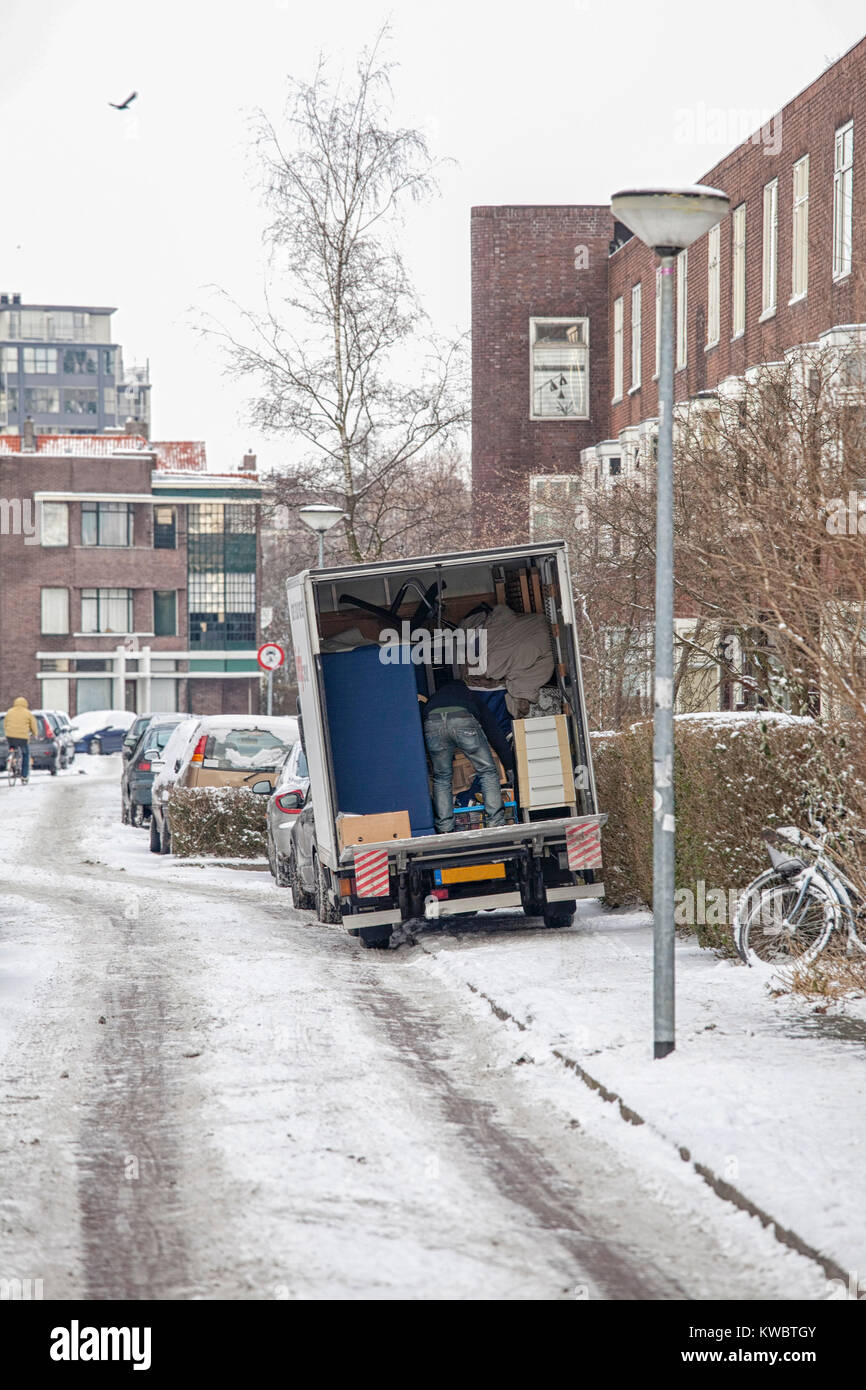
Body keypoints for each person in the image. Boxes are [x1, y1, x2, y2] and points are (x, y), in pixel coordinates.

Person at [422, 679, 514, 835]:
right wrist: (509, 765)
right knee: (487, 771)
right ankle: (495, 823)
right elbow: (494, 733)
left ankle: (445, 829)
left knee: (442, 777)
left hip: (433, 722)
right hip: (463, 719)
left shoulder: (434, 698)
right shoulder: (469, 696)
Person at [4, 696, 39, 784]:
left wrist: (7, 733)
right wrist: (35, 734)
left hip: (10, 736)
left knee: (12, 747)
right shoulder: (27, 713)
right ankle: (24, 776)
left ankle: (11, 760)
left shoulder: (10, 712)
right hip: (22, 738)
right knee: (25, 754)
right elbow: (33, 725)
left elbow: (5, 723)